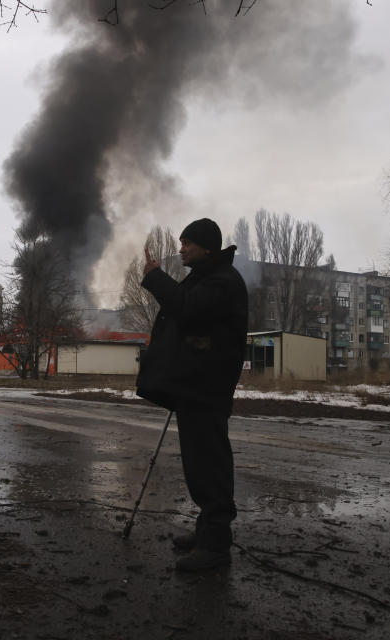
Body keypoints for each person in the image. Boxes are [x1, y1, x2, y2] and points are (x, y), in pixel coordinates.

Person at [136, 218, 248, 571]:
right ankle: (206, 531)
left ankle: (215, 547)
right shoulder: (207, 276)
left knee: (209, 463)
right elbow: (185, 309)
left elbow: (186, 308)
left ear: (207, 247)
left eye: (187, 243)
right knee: (199, 463)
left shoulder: (222, 281)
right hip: (195, 383)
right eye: (180, 242)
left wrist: (155, 276)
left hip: (207, 386)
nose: (181, 248)